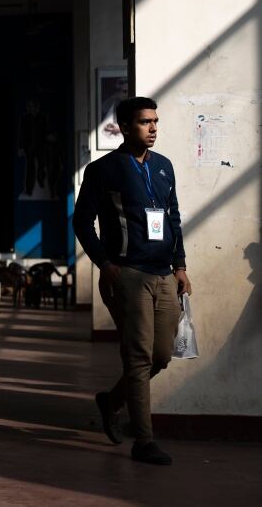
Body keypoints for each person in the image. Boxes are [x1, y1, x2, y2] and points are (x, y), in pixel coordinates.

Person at [73, 96, 192, 465]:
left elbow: (172, 217)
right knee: (139, 357)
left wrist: (181, 265)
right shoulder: (104, 169)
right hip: (128, 275)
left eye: (155, 121)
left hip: (163, 274)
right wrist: (105, 264)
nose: (153, 128)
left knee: (161, 355)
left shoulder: (164, 167)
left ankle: (111, 401)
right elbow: (81, 222)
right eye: (145, 122)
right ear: (125, 127)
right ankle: (144, 441)